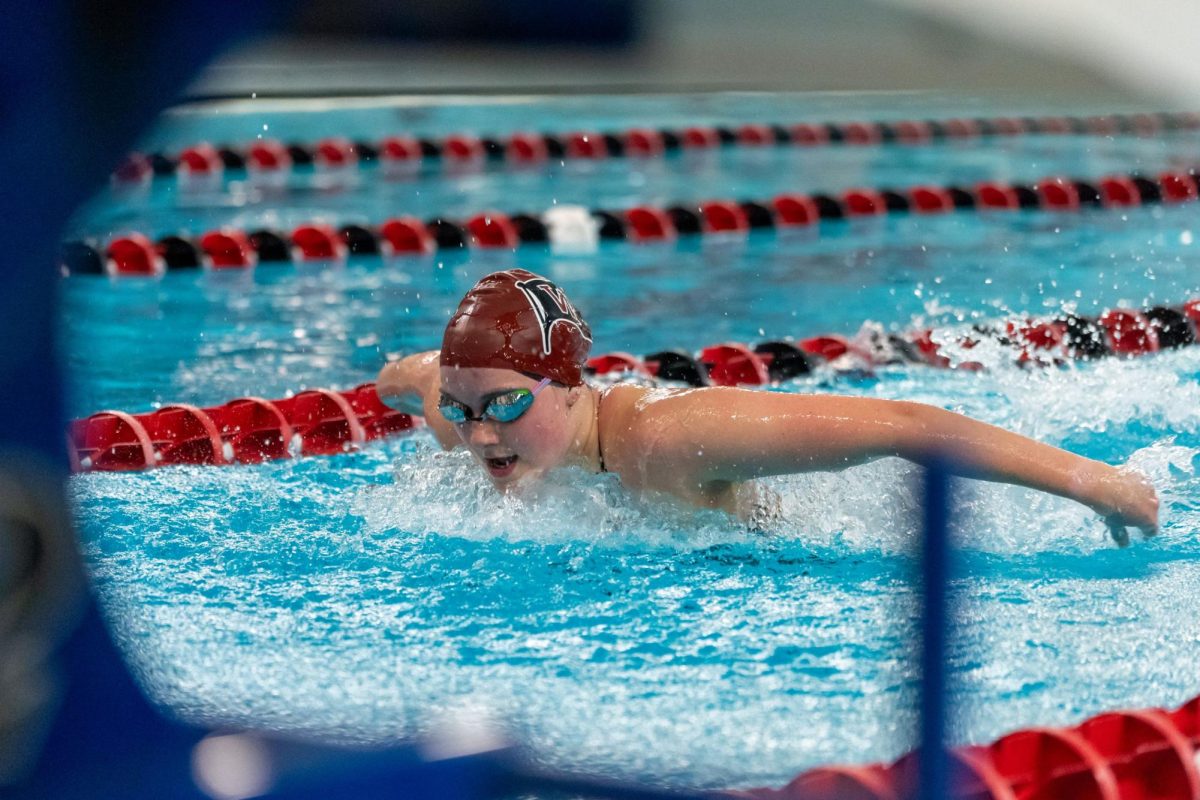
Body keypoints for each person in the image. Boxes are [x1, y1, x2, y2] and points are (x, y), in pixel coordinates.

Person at [376, 269, 1158, 544]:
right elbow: (423, 382)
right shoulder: (485, 427)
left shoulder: (671, 439)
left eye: (505, 405)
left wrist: (1095, 482)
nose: (480, 433)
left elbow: (909, 427)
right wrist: (404, 379)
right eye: (465, 405)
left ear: (571, 383)